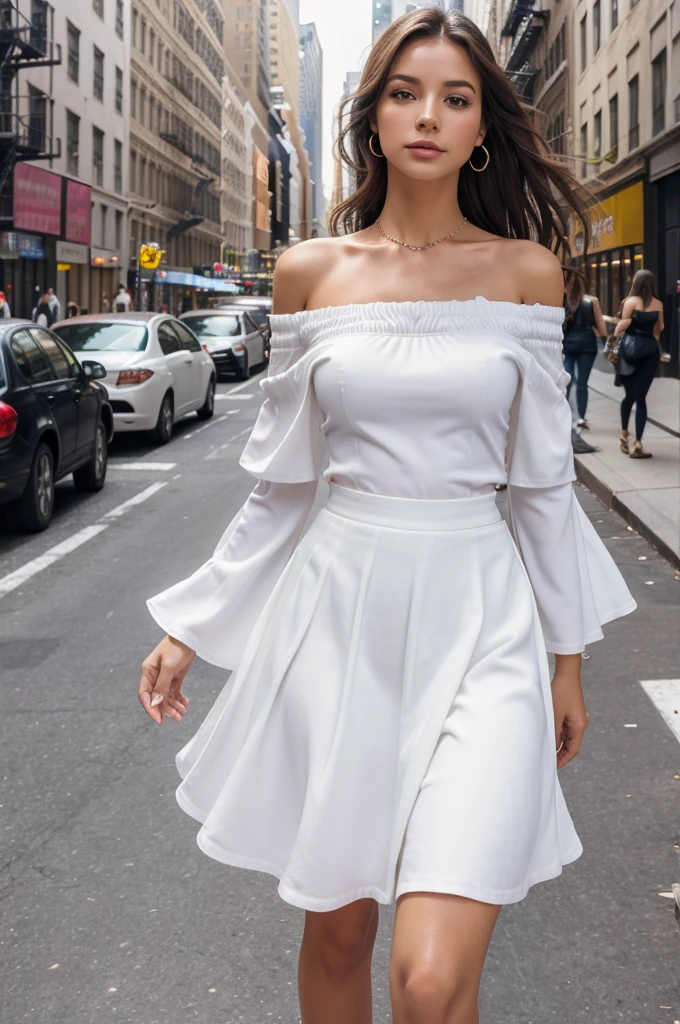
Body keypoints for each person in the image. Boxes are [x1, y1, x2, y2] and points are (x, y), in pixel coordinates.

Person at [137, 11, 637, 1022]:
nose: (428, 115)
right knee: (338, 927)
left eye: (455, 98)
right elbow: (281, 484)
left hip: (483, 619)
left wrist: (566, 656)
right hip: (339, 614)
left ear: (481, 128)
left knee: (428, 978)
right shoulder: (309, 274)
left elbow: (540, 487)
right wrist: (192, 619)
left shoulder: (525, 275)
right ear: (370, 118)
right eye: (405, 92)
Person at [613, 269, 664, 459]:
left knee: (629, 396)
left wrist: (615, 341)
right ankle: (638, 444)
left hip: (628, 352)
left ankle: (624, 433)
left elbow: (621, 325)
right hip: (649, 352)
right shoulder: (658, 303)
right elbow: (660, 328)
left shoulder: (629, 302)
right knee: (641, 398)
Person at [562, 270, 607, 432]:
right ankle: (581, 417)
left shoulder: (563, 299)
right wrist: (603, 338)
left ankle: (564, 413)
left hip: (568, 345)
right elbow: (601, 327)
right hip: (588, 345)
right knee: (582, 383)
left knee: (567, 379)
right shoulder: (591, 301)